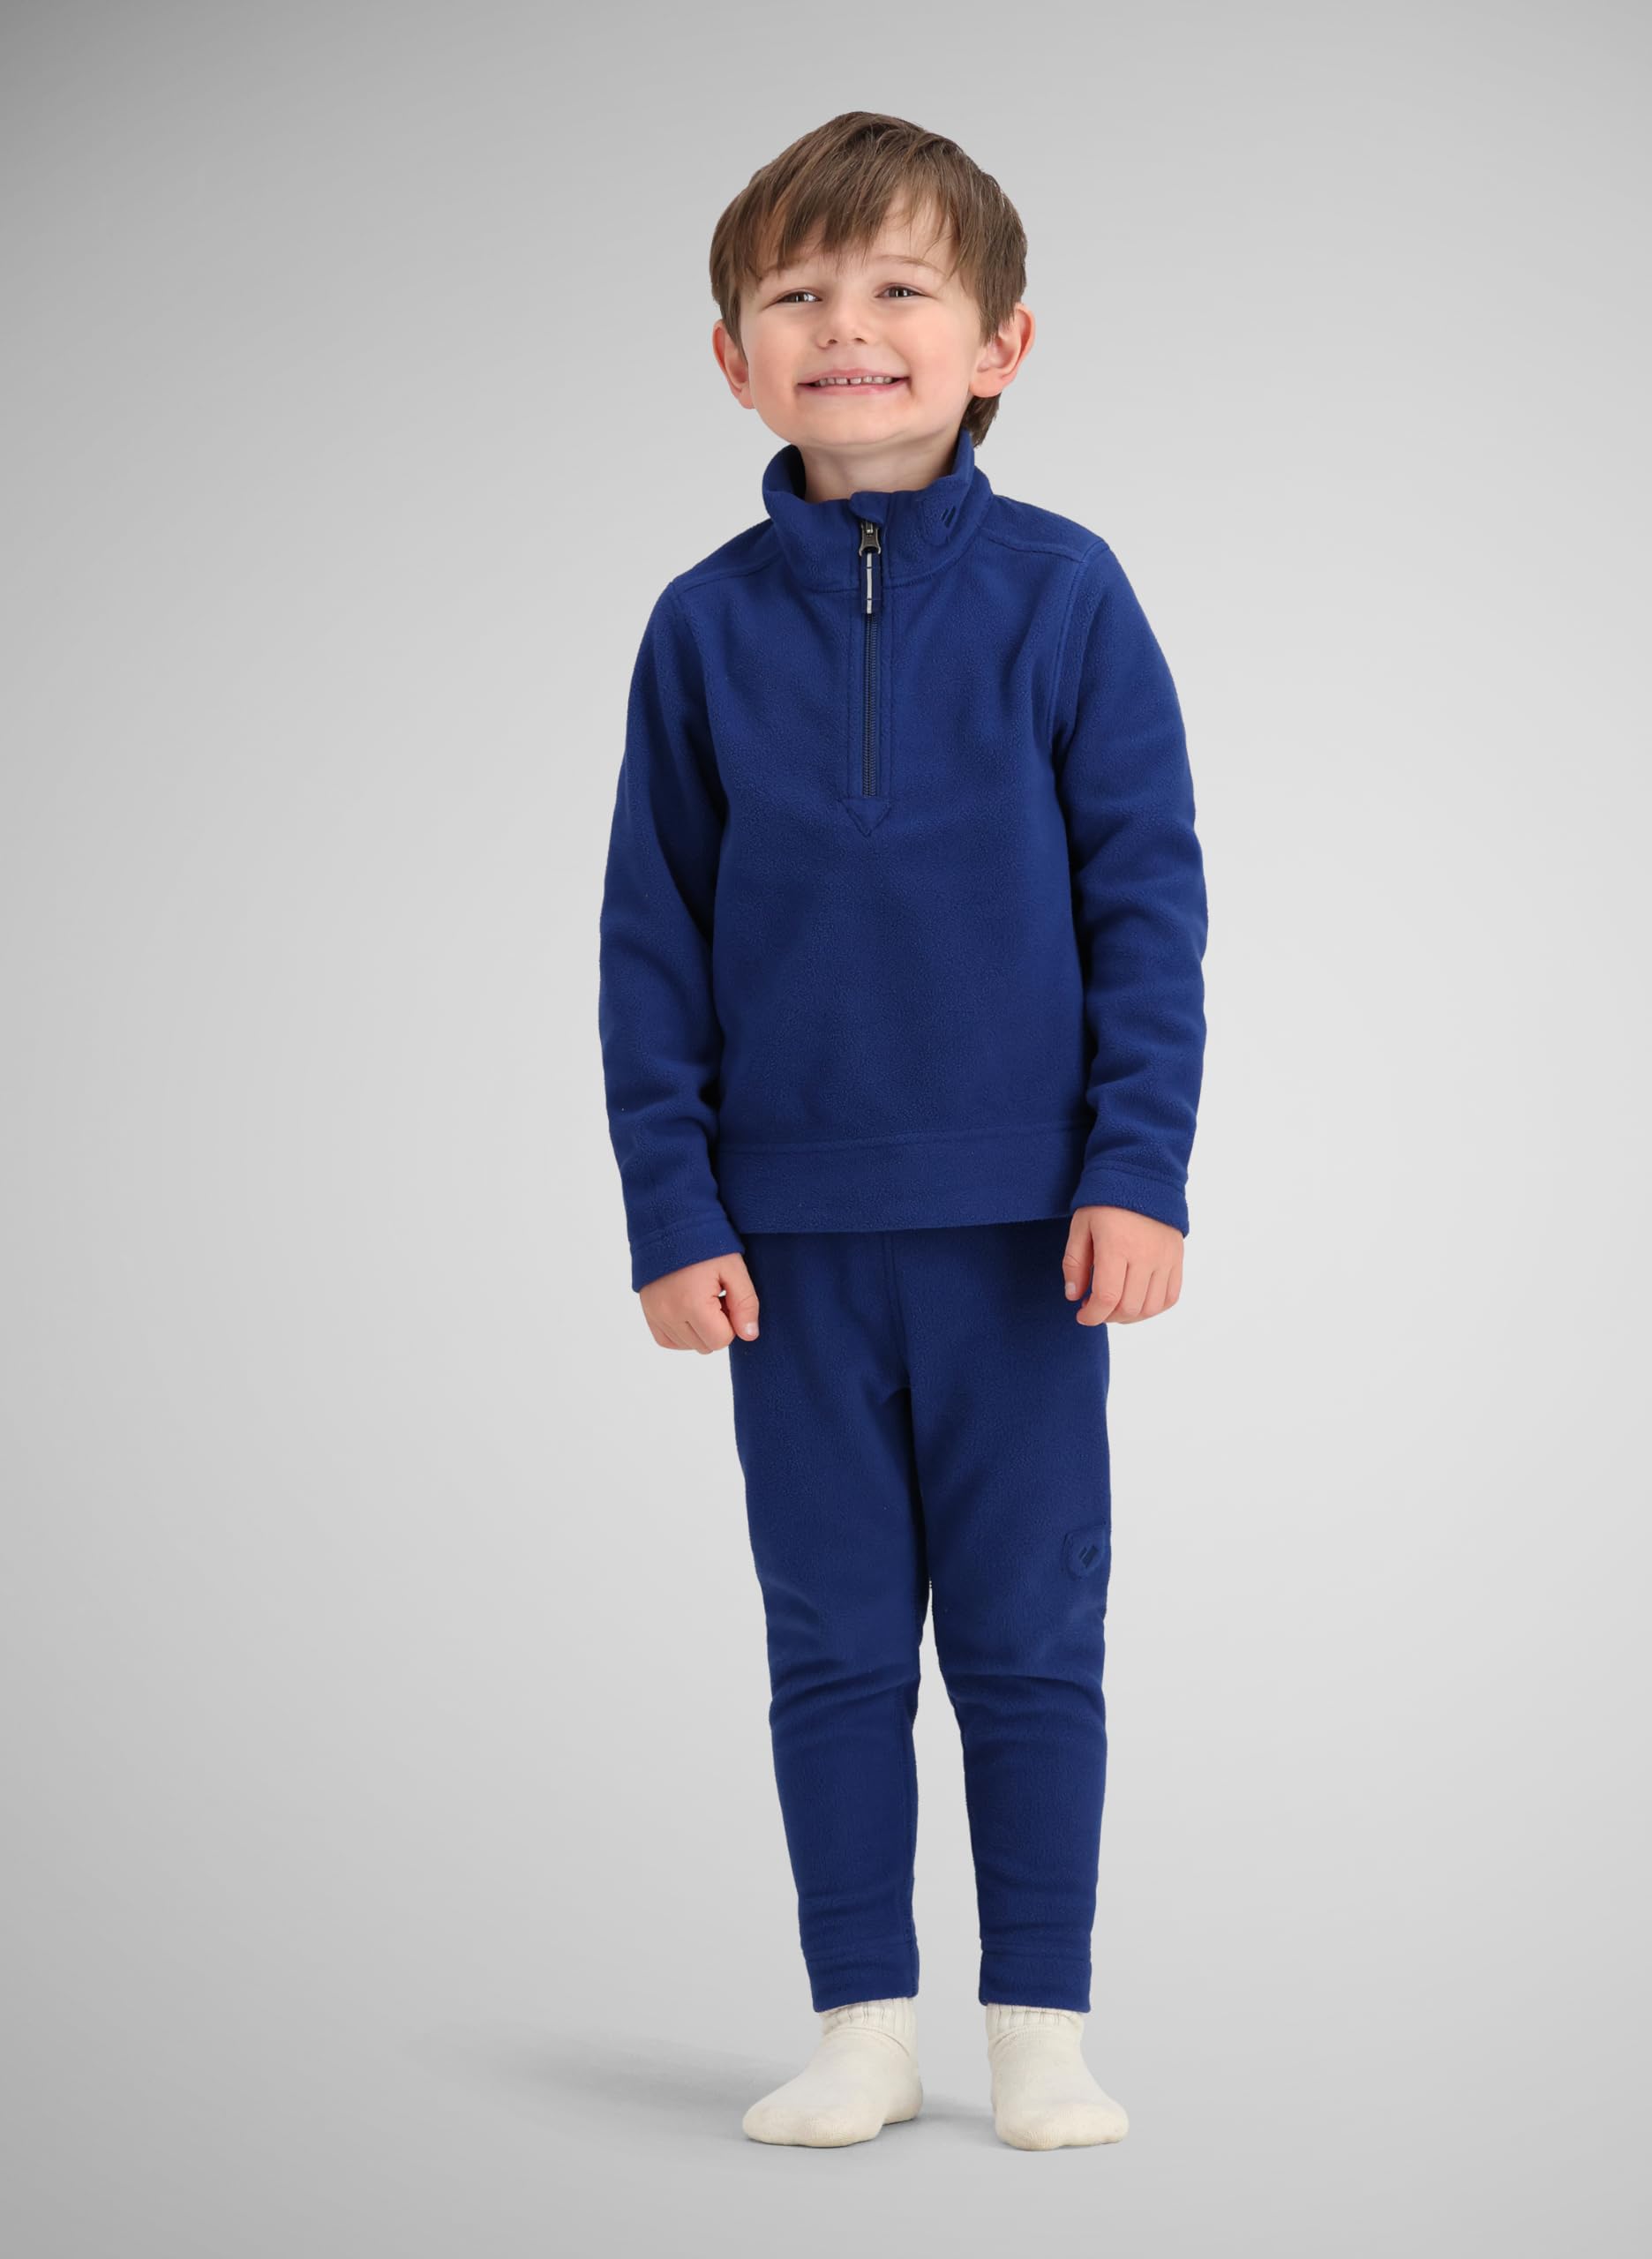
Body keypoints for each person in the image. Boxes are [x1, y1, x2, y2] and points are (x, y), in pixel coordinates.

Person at [597, 110, 1208, 2152]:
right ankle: (861, 2021)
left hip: (1026, 1238)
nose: (844, 325)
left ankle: (1039, 2024)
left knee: (1032, 1638)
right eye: (797, 293)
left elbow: (1147, 901)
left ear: (999, 343)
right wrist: (670, 1206)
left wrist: (1134, 1167)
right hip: (784, 1248)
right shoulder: (699, 627)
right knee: (832, 1643)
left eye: (896, 288)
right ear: (734, 358)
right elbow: (649, 937)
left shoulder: (1066, 594)